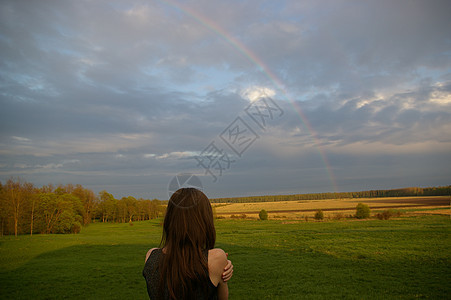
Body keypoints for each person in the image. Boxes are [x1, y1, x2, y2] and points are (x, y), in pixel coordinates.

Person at [143, 188, 233, 300]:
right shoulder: (216, 258)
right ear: (203, 221)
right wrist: (223, 270)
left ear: (170, 219)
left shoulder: (151, 256)